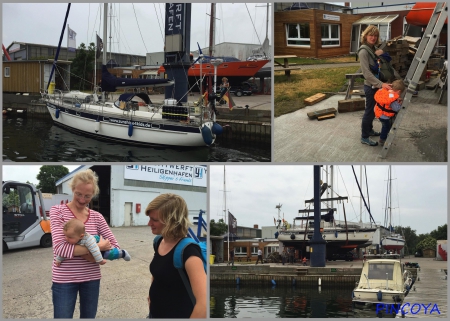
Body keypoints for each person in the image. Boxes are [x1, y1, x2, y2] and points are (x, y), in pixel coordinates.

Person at [50, 169, 122, 318]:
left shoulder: (97, 217)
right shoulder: (58, 212)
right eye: (78, 194)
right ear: (72, 189)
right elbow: (60, 249)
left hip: (91, 279)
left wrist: (88, 253)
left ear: (93, 194)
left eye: (87, 196)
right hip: (64, 279)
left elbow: (115, 246)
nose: (82, 200)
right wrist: (98, 248)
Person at [146, 193, 206, 318]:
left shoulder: (189, 253)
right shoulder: (158, 242)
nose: (149, 223)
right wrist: (151, 295)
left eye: (154, 220)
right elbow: (159, 272)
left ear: (171, 221)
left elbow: (203, 304)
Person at [359, 25, 401, 146]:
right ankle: (364, 137)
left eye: (375, 35)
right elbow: (366, 73)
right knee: (369, 112)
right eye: (371, 35)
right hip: (371, 86)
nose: (373, 37)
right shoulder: (363, 51)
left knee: (373, 110)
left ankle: (369, 130)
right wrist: (381, 84)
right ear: (365, 36)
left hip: (378, 86)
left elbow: (383, 65)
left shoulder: (373, 48)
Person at [55, 219, 131, 266]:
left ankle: (123, 253)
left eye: (69, 237)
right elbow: (64, 251)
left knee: (108, 254)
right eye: (65, 236)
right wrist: (59, 259)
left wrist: (100, 260)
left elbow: (95, 249)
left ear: (81, 236)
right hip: (95, 247)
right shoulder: (72, 237)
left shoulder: (88, 240)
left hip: (97, 242)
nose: (66, 239)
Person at [374, 79, 406, 146]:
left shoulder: (386, 92)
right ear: (399, 91)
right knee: (386, 127)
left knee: (384, 125)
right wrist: (400, 103)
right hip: (384, 116)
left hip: (378, 112)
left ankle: (383, 137)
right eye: (400, 93)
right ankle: (382, 139)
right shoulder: (392, 99)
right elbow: (396, 109)